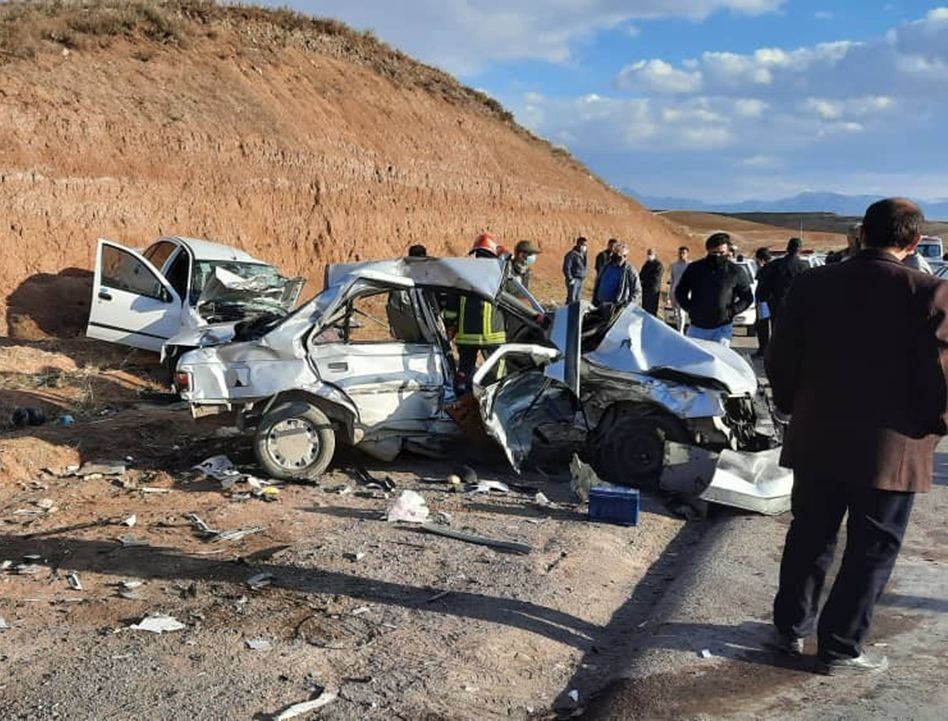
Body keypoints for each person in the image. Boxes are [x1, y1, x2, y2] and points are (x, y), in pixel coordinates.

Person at [765, 198, 948, 675]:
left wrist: (793, 406)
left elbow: (780, 356)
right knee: (871, 550)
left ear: (862, 234)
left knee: (809, 535)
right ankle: (840, 647)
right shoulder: (930, 293)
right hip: (891, 450)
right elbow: (941, 375)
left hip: (817, 436)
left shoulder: (812, 284)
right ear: (914, 242)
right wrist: (935, 426)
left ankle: (790, 627)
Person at [444, 233, 507, 391]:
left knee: (464, 370)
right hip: (492, 335)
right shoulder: (499, 273)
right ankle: (493, 397)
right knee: (496, 374)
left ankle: (462, 397)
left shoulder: (463, 273)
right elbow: (511, 299)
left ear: (476, 253)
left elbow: (451, 305)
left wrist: (450, 325)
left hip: (467, 336)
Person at [674, 232, 752, 347]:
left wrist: (732, 311)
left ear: (727, 251)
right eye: (714, 253)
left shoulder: (735, 271)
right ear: (708, 251)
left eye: (722, 253)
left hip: (722, 328)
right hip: (697, 327)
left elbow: (747, 297)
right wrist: (690, 308)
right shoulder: (695, 269)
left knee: (719, 357)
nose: (718, 256)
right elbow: (680, 291)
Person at [757, 237, 808, 328]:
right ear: (800, 249)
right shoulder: (804, 267)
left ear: (787, 248)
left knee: (778, 330)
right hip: (798, 305)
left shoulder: (775, 265)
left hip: (778, 304)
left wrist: (763, 298)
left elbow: (766, 285)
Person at [592, 243, 641, 308]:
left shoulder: (630, 271)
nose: (615, 258)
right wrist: (594, 298)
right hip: (599, 304)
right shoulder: (606, 266)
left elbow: (637, 291)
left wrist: (626, 306)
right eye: (614, 254)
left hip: (615, 308)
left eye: (618, 256)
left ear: (625, 257)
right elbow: (598, 282)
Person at [751, 247, 774, 359]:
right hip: (769, 301)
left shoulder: (766, 269)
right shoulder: (774, 268)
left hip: (764, 302)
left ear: (761, 259)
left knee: (763, 327)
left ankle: (763, 350)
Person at [668, 246, 690, 332]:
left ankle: (681, 331)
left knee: (681, 312)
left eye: (683, 253)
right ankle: (678, 329)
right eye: (680, 253)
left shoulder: (690, 265)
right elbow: (672, 279)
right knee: (676, 312)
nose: (681, 255)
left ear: (687, 254)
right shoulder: (674, 265)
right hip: (674, 291)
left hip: (685, 292)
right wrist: (670, 292)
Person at [639, 248, 664, 316]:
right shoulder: (646, 264)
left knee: (652, 310)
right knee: (645, 308)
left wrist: (645, 281)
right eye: (648, 254)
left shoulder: (658, 265)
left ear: (655, 254)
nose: (649, 255)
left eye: (650, 254)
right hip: (645, 290)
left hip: (653, 291)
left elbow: (656, 279)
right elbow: (641, 275)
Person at [563, 236, 588, 303]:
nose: (584, 247)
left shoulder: (584, 254)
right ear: (578, 244)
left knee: (577, 299)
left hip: (581, 279)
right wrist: (570, 278)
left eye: (585, 245)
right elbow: (566, 267)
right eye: (582, 245)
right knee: (571, 298)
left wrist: (584, 275)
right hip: (574, 279)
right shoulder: (571, 254)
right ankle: (568, 309)